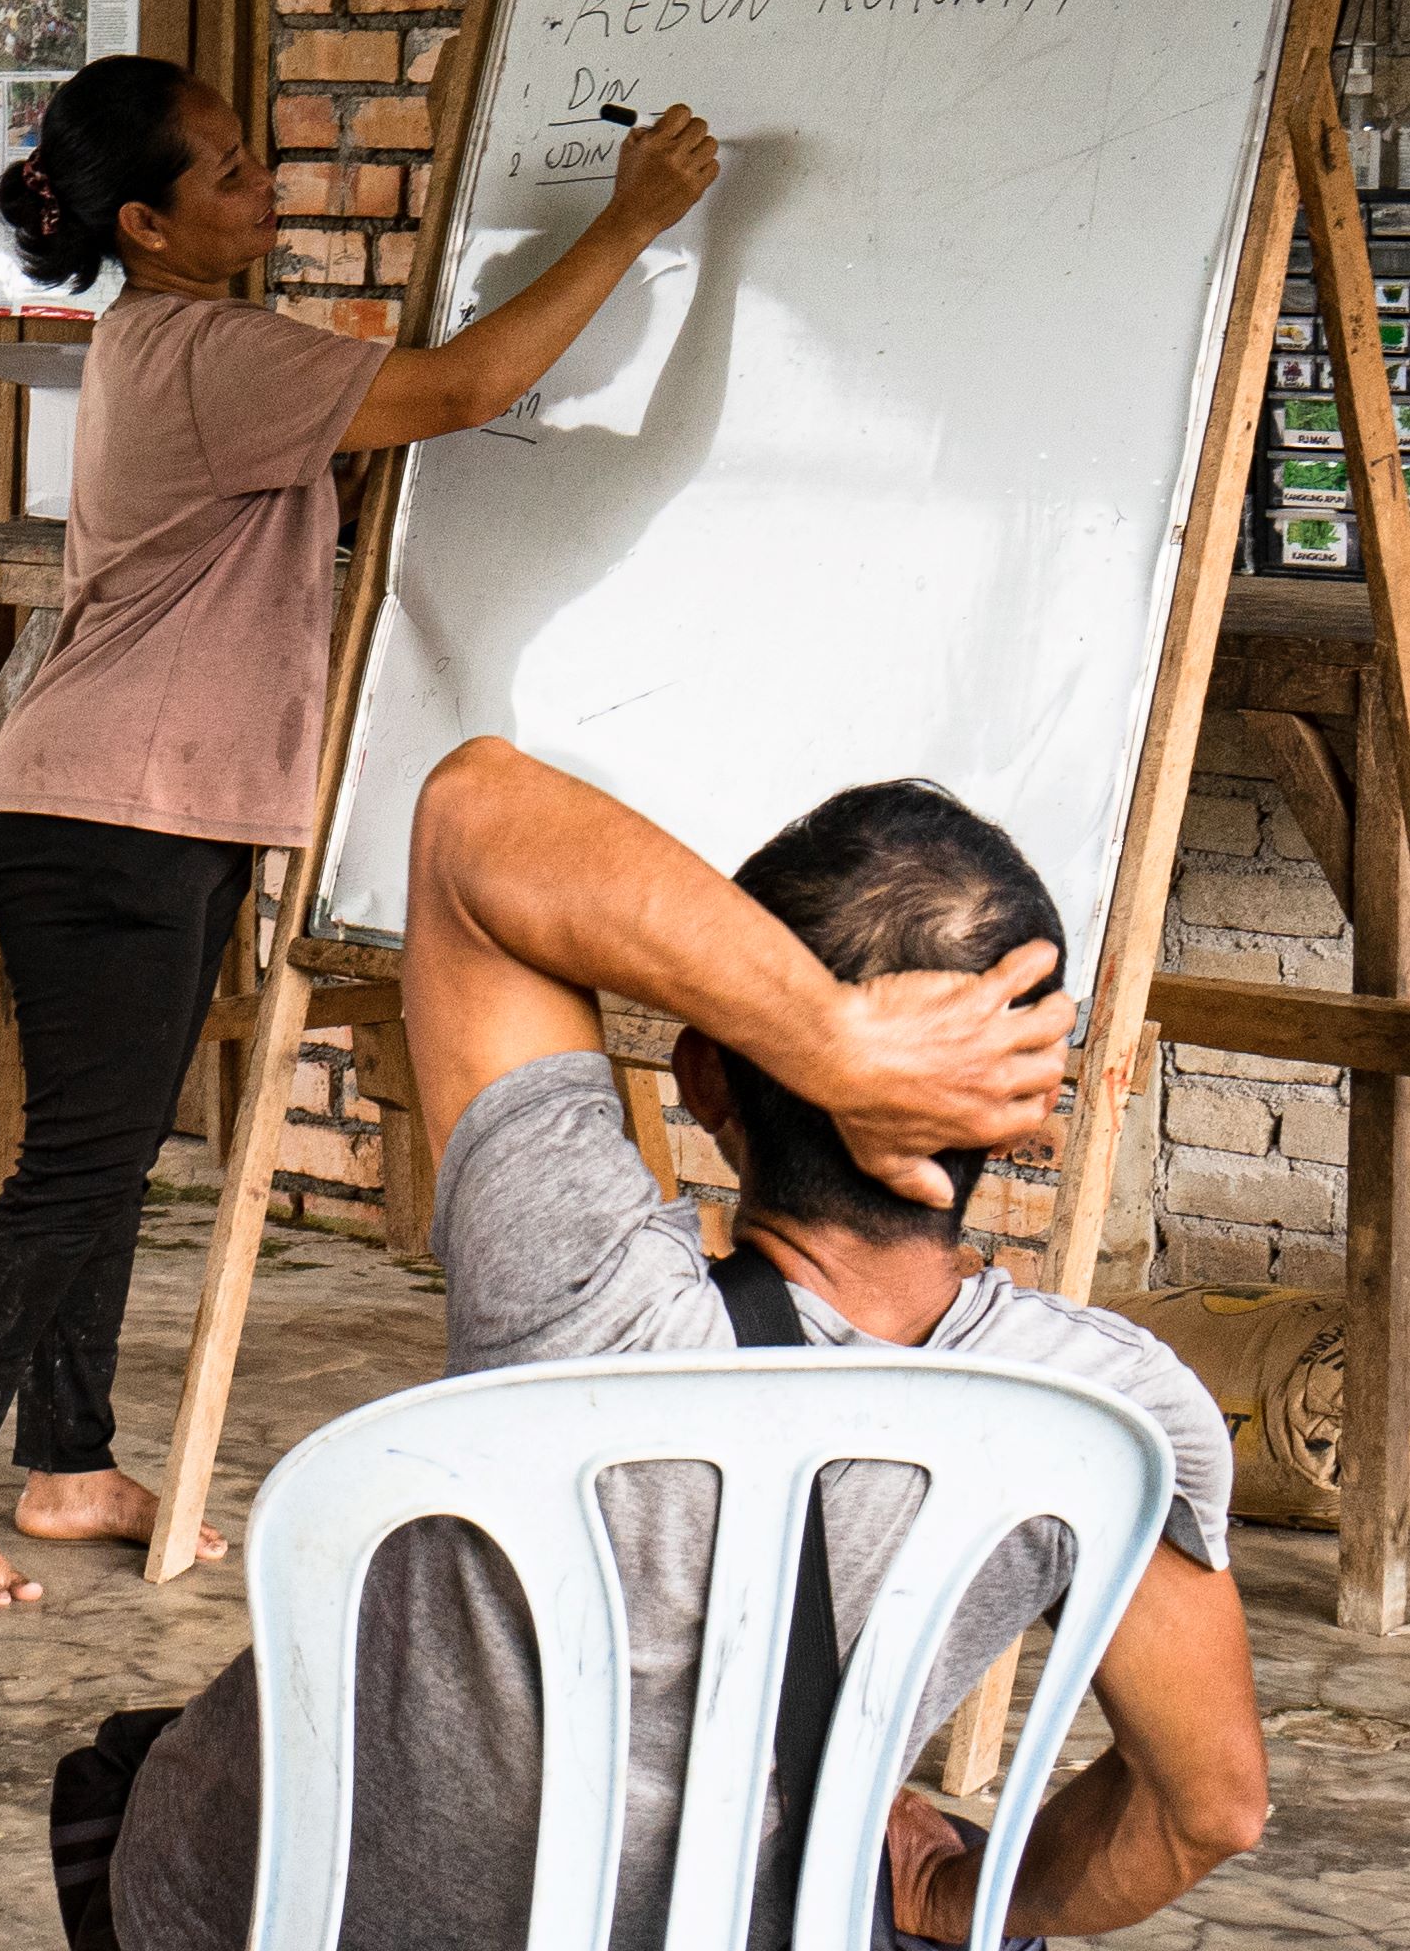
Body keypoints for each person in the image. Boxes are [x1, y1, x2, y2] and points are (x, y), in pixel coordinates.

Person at [68, 740, 1267, 1950]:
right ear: (1021, 1106)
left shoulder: (582, 1298)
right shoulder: (1106, 1416)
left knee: (147, 1772)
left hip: (245, 1919)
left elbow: (475, 810)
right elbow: (1207, 1804)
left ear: (703, 1076)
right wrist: (948, 1898)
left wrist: (827, 1037)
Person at [0, 55, 726, 1606]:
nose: (261, 183)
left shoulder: (176, 340)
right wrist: (629, 224)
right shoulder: (211, 350)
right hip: (104, 812)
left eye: (250, 154)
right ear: (145, 223)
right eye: (224, 172)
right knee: (79, 1164)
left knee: (114, 1153)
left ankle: (68, 1465)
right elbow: (462, 392)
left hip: (144, 807)